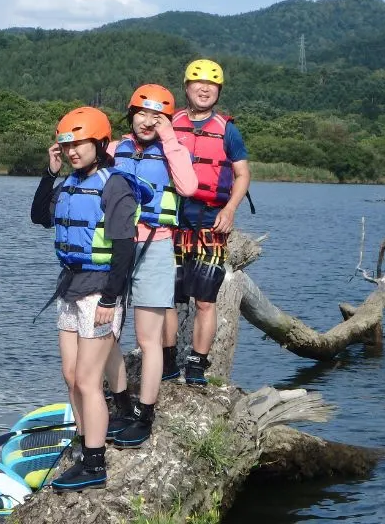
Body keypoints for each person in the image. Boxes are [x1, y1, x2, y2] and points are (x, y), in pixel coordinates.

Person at [30, 106, 152, 492]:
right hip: (70, 287)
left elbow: (124, 250)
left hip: (100, 289)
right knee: (71, 376)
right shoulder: (66, 183)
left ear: (99, 143)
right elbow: (39, 216)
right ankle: (85, 447)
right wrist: (49, 173)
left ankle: (96, 464)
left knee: (86, 379)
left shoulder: (113, 184)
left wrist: (110, 300)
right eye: (66, 146)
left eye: (79, 144)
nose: (72, 152)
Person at [103, 84, 197, 449]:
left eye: (157, 117)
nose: (147, 121)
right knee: (106, 334)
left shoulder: (173, 151)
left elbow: (188, 186)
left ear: (167, 122)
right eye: (141, 114)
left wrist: (170, 138)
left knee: (148, 339)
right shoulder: (113, 150)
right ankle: (122, 403)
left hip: (156, 247)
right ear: (130, 116)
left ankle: (146, 413)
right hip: (115, 248)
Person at [162, 59, 251, 385]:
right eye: (197, 83)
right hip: (172, 220)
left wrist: (229, 210)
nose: (204, 89)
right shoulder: (170, 124)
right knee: (166, 297)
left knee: (205, 300)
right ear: (186, 87)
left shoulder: (228, 130)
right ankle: (168, 359)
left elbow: (242, 174)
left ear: (218, 91)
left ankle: (198, 363)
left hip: (211, 221)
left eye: (211, 85)